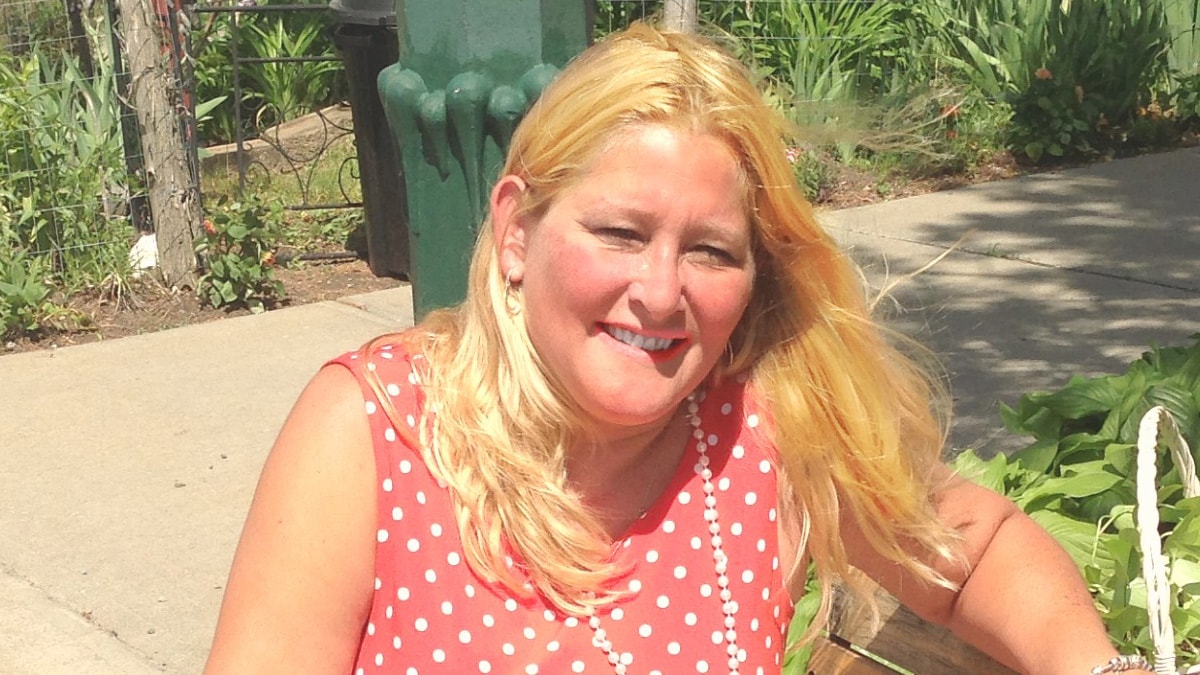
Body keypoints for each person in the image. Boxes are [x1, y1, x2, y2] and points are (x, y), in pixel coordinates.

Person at [203, 23, 1151, 675]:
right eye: (619, 232)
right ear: (518, 230)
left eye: (709, 250)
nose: (660, 290)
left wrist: (1096, 666)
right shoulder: (373, 433)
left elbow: (972, 553)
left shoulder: (761, 433)